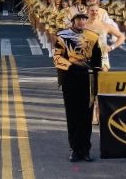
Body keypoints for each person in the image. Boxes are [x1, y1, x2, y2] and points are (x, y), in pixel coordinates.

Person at [54, 13, 102, 162]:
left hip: (88, 80)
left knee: (86, 116)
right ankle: (75, 149)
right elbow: (57, 57)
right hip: (70, 79)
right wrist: (70, 67)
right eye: (78, 19)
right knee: (73, 115)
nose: (81, 21)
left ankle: (85, 150)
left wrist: (96, 72)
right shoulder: (62, 35)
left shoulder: (93, 36)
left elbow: (97, 59)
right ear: (73, 20)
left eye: (84, 19)